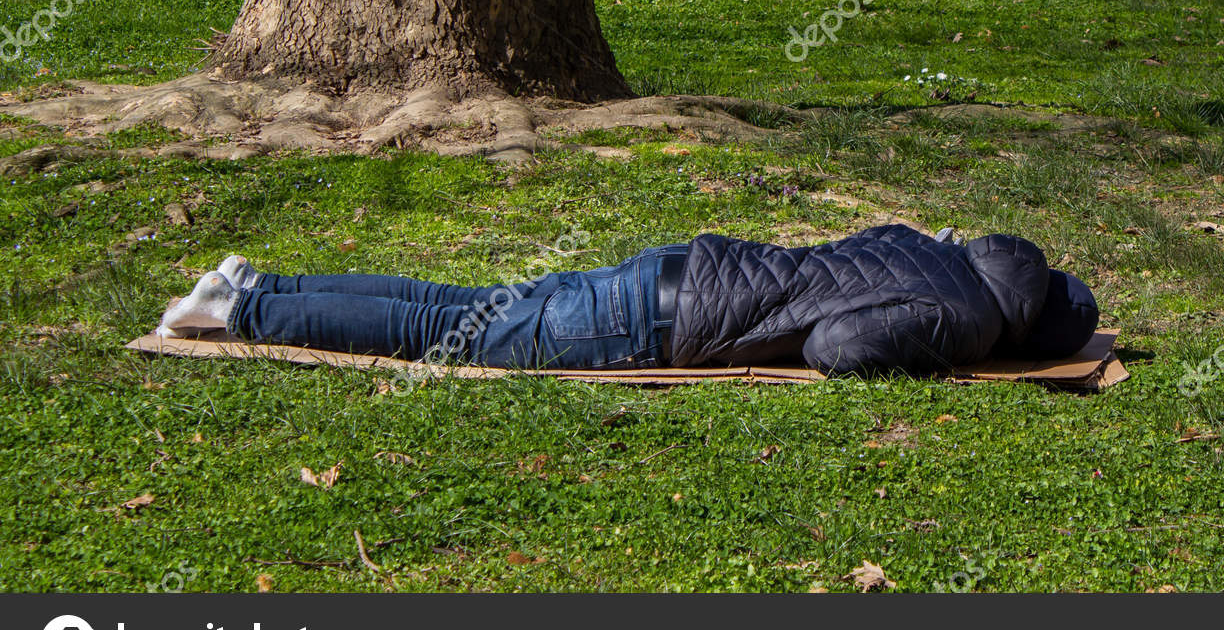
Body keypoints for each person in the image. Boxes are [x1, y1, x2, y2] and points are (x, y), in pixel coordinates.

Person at [157, 225, 1099, 377]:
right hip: (663, 323)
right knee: (444, 332)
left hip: (686, 266)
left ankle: (255, 285)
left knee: (459, 305)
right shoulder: (965, 324)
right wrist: (931, 359)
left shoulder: (937, 249)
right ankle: (238, 312)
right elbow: (838, 349)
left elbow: (850, 270)